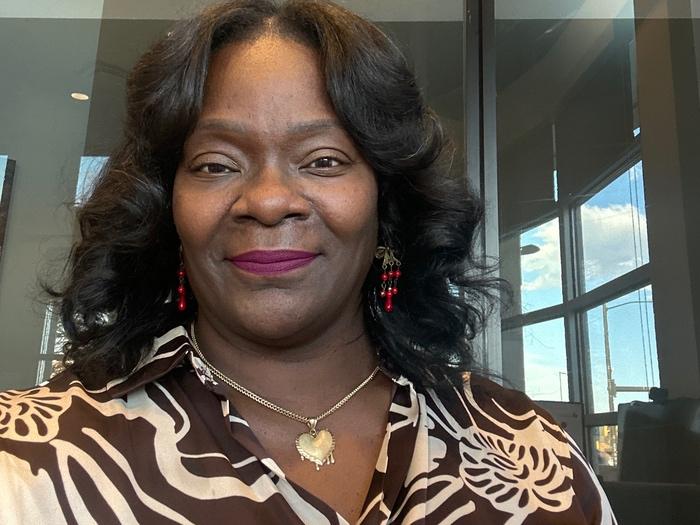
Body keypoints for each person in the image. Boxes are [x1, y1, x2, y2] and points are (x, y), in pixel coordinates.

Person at [0, 1, 616, 523]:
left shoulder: (533, 457)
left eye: (323, 160)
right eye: (216, 164)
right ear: (166, 210)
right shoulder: (26, 461)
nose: (269, 202)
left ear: (386, 202)